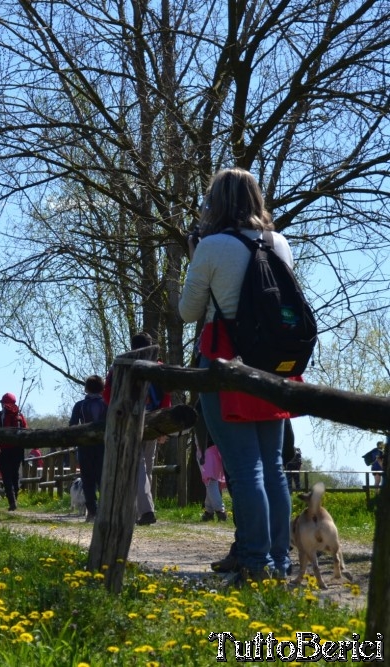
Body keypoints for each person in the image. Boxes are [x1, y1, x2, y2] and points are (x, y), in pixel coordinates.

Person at [179, 167, 293, 584]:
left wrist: (197, 258)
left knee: (244, 469)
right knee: (273, 467)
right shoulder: (278, 242)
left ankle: (254, 561)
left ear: (217, 202)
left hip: (225, 362)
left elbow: (188, 311)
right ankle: (279, 562)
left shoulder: (212, 246)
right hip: (272, 363)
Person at [103, 331, 171, 526]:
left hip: (129, 419)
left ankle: (144, 510)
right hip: (153, 419)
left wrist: (118, 412)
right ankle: (142, 509)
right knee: (146, 466)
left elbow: (108, 394)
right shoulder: (159, 368)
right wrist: (163, 427)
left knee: (138, 465)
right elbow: (166, 397)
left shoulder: (121, 365)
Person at [69, 374, 107, 522]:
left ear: (86, 388)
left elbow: (72, 425)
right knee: (103, 478)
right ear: (102, 388)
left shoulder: (80, 405)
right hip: (103, 446)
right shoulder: (107, 404)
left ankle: (92, 511)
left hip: (85, 446)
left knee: (87, 479)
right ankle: (105, 509)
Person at [0, 392, 28, 511]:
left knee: (6, 476)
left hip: (3, 450)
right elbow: (25, 431)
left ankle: (11, 500)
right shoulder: (19, 416)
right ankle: (15, 498)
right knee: (15, 475)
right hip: (17, 450)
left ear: (3, 403)